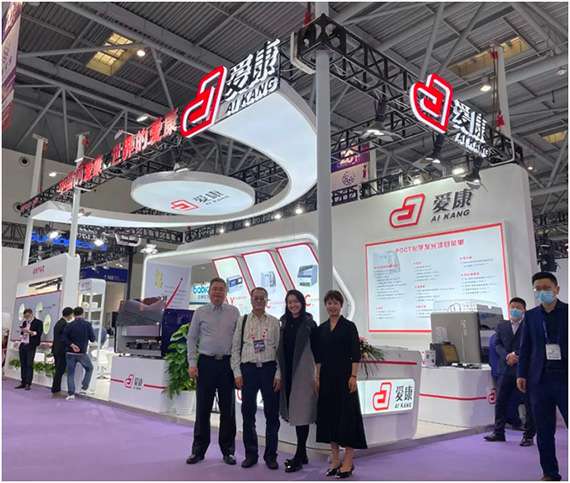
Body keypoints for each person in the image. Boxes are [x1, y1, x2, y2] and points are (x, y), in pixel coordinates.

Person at [518, 272, 568, 481]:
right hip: (540, 380)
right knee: (545, 432)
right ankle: (550, 473)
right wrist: (521, 374)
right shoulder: (531, 316)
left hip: (565, 379)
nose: (542, 292)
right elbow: (525, 347)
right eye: (538, 289)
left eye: (546, 288)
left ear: (557, 289)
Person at [186, 278, 240, 466]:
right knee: (202, 409)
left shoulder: (234, 312)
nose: (218, 293)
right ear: (209, 292)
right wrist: (192, 363)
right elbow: (191, 338)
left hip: (226, 365)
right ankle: (198, 451)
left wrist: (237, 368)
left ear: (226, 293)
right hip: (206, 364)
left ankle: (228, 451)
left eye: (221, 290)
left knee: (228, 410)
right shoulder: (200, 312)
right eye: (215, 289)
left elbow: (238, 342)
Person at [314, 290, 367, 479]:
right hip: (327, 379)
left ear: (341, 305)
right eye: (329, 303)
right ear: (325, 305)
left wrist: (353, 376)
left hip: (345, 379)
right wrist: (317, 377)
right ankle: (335, 460)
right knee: (330, 419)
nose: (332, 306)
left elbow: (355, 354)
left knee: (348, 419)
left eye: (335, 303)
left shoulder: (349, 327)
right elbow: (318, 357)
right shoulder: (321, 329)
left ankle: (348, 462)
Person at [231, 287, 281, 470]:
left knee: (272, 415)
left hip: (269, 370)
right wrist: (237, 373)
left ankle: (271, 456)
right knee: (248, 414)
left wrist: (279, 373)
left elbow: (280, 351)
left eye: (262, 298)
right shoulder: (242, 320)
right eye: (256, 298)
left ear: (267, 300)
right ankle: (251, 455)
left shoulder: (274, 322)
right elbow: (235, 348)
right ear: (251, 300)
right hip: (248, 371)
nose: (259, 301)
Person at [484, 297, 535, 446]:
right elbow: (497, 344)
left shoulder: (529, 325)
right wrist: (507, 355)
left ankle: (528, 435)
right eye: (512, 307)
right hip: (505, 368)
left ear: (524, 310)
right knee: (501, 402)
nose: (515, 310)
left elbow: (532, 344)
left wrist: (516, 355)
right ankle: (498, 432)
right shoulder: (502, 326)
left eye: (518, 307)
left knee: (528, 403)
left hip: (523, 370)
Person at [277, 289, 318, 473]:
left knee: (302, 414)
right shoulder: (283, 323)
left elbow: (317, 351)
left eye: (296, 301)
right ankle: (303, 454)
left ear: (302, 303)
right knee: (295, 412)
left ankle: (299, 455)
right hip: (287, 372)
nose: (293, 305)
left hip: (303, 373)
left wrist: (316, 374)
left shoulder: (309, 324)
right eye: (289, 302)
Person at [62, 307, 95, 401]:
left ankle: (71, 394)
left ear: (74, 314)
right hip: (82, 353)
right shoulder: (87, 325)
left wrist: (72, 345)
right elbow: (92, 339)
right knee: (89, 368)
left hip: (70, 352)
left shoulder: (69, 325)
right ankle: (84, 388)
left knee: (70, 373)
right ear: (83, 313)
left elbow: (63, 338)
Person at [15, 308, 43, 390]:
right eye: (25, 316)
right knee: (23, 364)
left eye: (27, 316)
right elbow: (21, 333)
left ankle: (28, 383)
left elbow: (39, 333)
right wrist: (22, 335)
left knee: (29, 364)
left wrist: (29, 332)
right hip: (23, 344)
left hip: (31, 345)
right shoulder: (24, 322)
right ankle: (23, 382)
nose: (26, 318)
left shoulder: (38, 322)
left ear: (31, 314)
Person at [51, 307, 74, 394]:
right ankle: (56, 389)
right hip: (61, 350)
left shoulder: (58, 323)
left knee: (58, 370)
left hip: (56, 349)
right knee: (60, 370)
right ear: (70, 314)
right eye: (72, 314)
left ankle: (56, 388)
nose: (72, 316)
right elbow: (64, 338)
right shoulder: (64, 324)